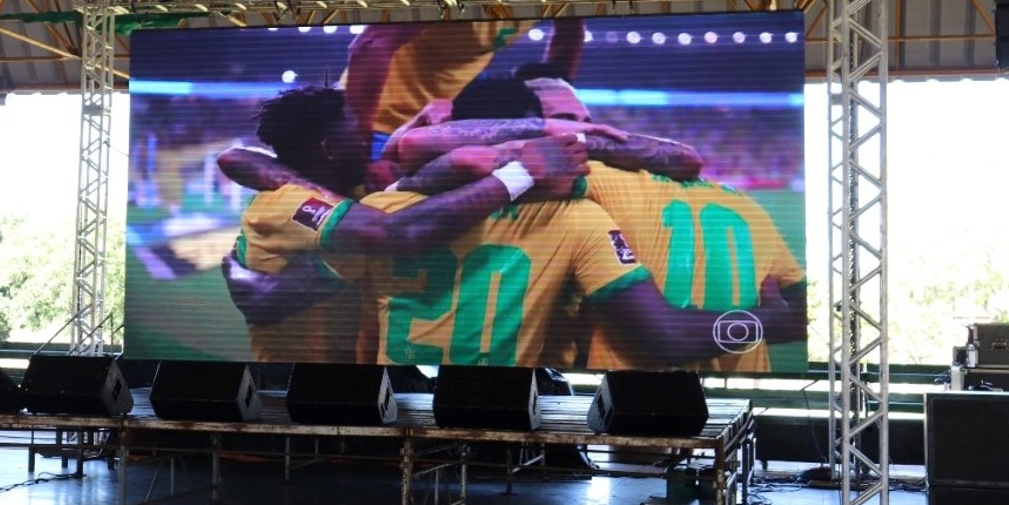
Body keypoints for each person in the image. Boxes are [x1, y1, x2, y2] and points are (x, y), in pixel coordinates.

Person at [230, 87, 805, 368]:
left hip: (403, 401)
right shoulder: (741, 205)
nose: (376, 139)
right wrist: (763, 323)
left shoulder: (397, 206)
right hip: (692, 399)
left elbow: (419, 164)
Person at [225, 86, 588, 362]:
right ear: (328, 150)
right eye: (356, 131)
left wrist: (540, 127)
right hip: (293, 394)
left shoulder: (345, 188)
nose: (366, 140)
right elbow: (399, 233)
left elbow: (407, 157)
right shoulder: (284, 204)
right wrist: (523, 172)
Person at [342, 19, 585, 159]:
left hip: (439, 130)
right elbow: (372, 44)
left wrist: (557, 97)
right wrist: (358, 149)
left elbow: (569, 33)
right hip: (375, 125)